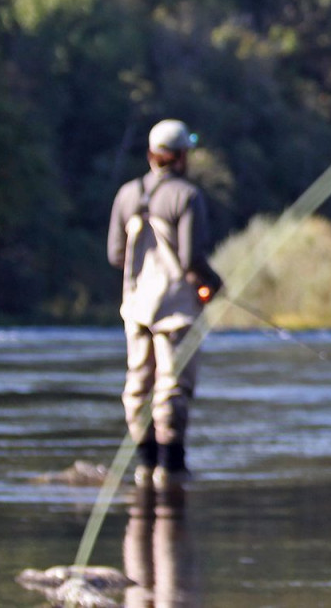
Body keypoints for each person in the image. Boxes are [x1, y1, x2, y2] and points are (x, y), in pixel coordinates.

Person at [108, 118, 223, 491]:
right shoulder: (186, 196)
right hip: (175, 308)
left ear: (151, 155)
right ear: (181, 157)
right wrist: (215, 283)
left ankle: (145, 466)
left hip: (136, 307)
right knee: (172, 387)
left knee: (138, 386)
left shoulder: (127, 194)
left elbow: (114, 255)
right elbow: (191, 258)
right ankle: (172, 469)